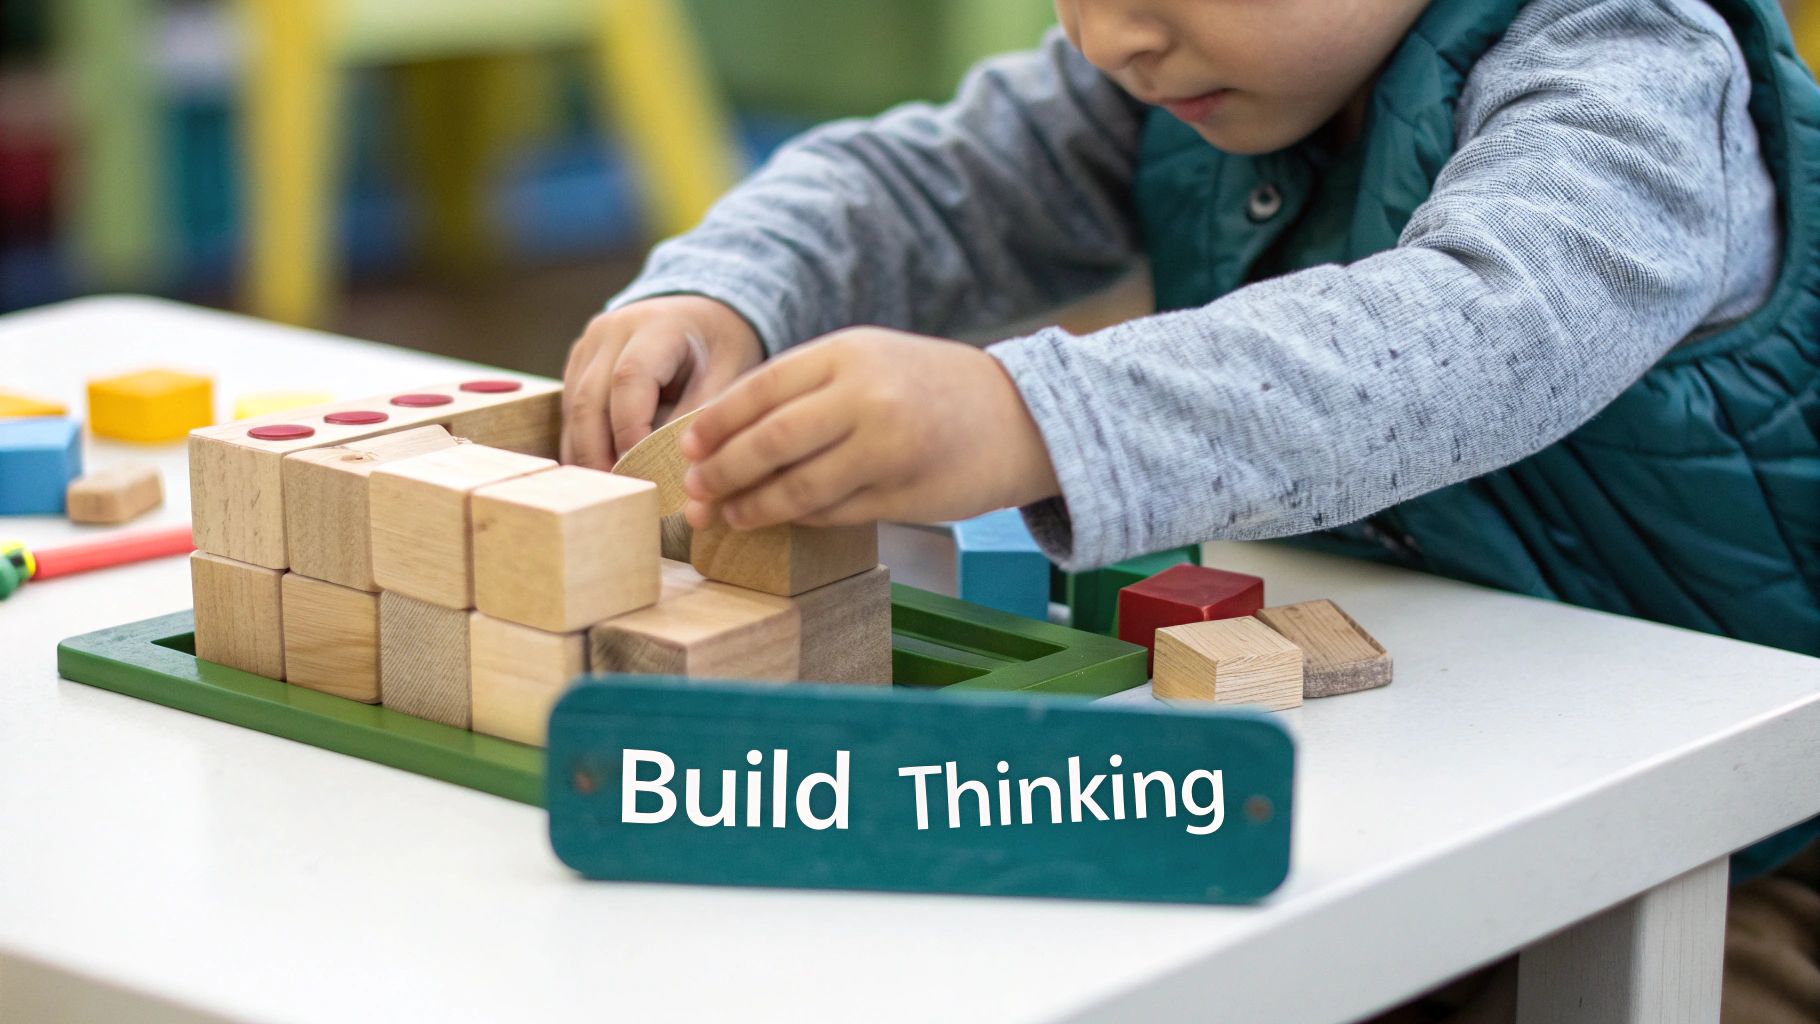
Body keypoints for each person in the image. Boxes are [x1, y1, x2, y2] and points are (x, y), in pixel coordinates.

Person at [563, 0, 1820, 1013]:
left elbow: (1483, 332)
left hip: (1749, 837)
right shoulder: (1177, 69)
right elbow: (926, 184)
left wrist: (1027, 419)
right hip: (1416, 759)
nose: (1108, 33)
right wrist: (728, 294)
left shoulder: (1635, 64)